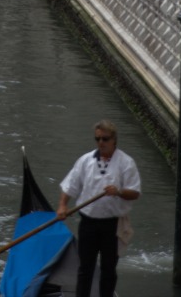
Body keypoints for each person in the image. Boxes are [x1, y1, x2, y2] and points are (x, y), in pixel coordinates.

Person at [57, 119, 140, 297]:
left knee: (109, 269)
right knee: (85, 268)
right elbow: (70, 186)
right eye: (98, 139)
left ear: (114, 140)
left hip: (112, 225)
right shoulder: (85, 161)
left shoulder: (126, 163)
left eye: (105, 139)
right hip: (88, 223)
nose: (101, 142)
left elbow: (134, 192)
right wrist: (63, 206)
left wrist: (118, 192)